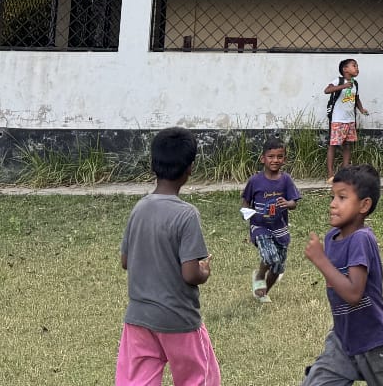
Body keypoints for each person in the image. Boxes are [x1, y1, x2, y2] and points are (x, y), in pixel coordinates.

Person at [116, 127, 221, 386]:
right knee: (198, 378)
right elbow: (190, 274)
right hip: (179, 319)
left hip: (139, 317)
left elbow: (125, 261)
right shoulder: (186, 215)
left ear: (153, 164)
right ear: (190, 168)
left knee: (136, 380)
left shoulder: (139, 208)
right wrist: (204, 271)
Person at [301, 164, 383, 386]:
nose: (333, 204)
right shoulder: (331, 238)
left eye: (342, 197)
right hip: (343, 337)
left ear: (364, 205)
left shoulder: (361, 239)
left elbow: (354, 293)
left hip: (373, 341)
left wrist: (320, 260)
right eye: (333, 197)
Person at [241, 136, 302, 304]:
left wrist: (287, 203)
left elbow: (294, 203)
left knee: (278, 267)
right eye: (271, 156)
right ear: (263, 159)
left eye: (279, 157)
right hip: (260, 226)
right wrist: (246, 212)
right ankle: (260, 275)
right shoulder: (255, 181)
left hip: (280, 228)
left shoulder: (286, 180)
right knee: (270, 257)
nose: (275, 160)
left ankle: (264, 291)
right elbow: (246, 200)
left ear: (284, 159)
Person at [324, 58, 368, 184]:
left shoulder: (355, 83)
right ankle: (330, 175)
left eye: (357, 66)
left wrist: (361, 109)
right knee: (333, 145)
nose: (357, 68)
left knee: (347, 145)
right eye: (354, 66)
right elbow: (327, 90)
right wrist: (343, 86)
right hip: (338, 120)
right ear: (345, 69)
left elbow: (356, 98)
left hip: (350, 120)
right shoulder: (338, 80)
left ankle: (345, 172)